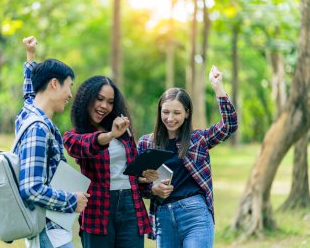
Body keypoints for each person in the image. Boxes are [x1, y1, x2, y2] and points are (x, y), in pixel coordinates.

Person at [137, 66, 238, 248]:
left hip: (195, 215)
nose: (170, 118)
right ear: (159, 111)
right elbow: (135, 183)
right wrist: (153, 190)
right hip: (163, 218)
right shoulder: (146, 143)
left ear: (187, 113)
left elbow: (229, 125)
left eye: (177, 113)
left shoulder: (198, 140)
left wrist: (218, 89)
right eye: (165, 112)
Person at [62, 76, 157, 248]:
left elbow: (130, 173)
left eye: (110, 102)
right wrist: (110, 135)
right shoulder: (74, 136)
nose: (104, 106)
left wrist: (143, 179)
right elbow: (87, 146)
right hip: (98, 210)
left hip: (130, 207)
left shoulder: (124, 134)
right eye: (99, 99)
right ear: (86, 98)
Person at [14, 36, 89, 248]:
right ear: (54, 84)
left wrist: (30, 57)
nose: (70, 94)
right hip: (48, 231)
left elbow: (31, 93)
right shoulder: (38, 129)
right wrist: (72, 201)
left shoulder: (28, 113)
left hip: (50, 229)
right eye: (69, 86)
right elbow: (31, 188)